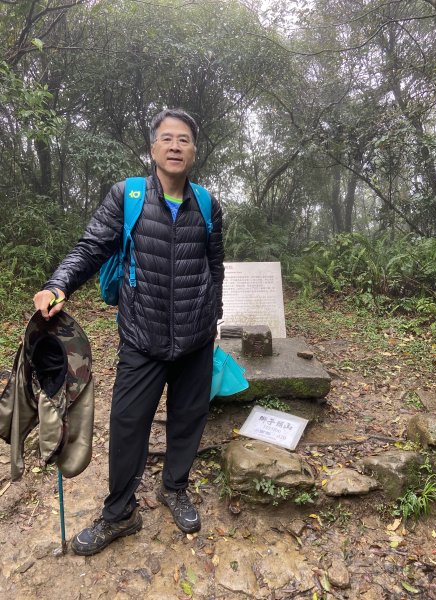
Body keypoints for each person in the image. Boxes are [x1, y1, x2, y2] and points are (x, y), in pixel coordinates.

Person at [33, 108, 224, 556]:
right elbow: (92, 246)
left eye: (185, 140)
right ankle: (120, 512)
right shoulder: (129, 195)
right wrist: (57, 284)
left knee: (187, 420)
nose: (176, 146)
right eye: (168, 139)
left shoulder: (209, 204)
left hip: (196, 340)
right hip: (142, 338)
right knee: (127, 426)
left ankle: (174, 488)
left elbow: (214, 266)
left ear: (194, 151)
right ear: (153, 148)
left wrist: (210, 315)